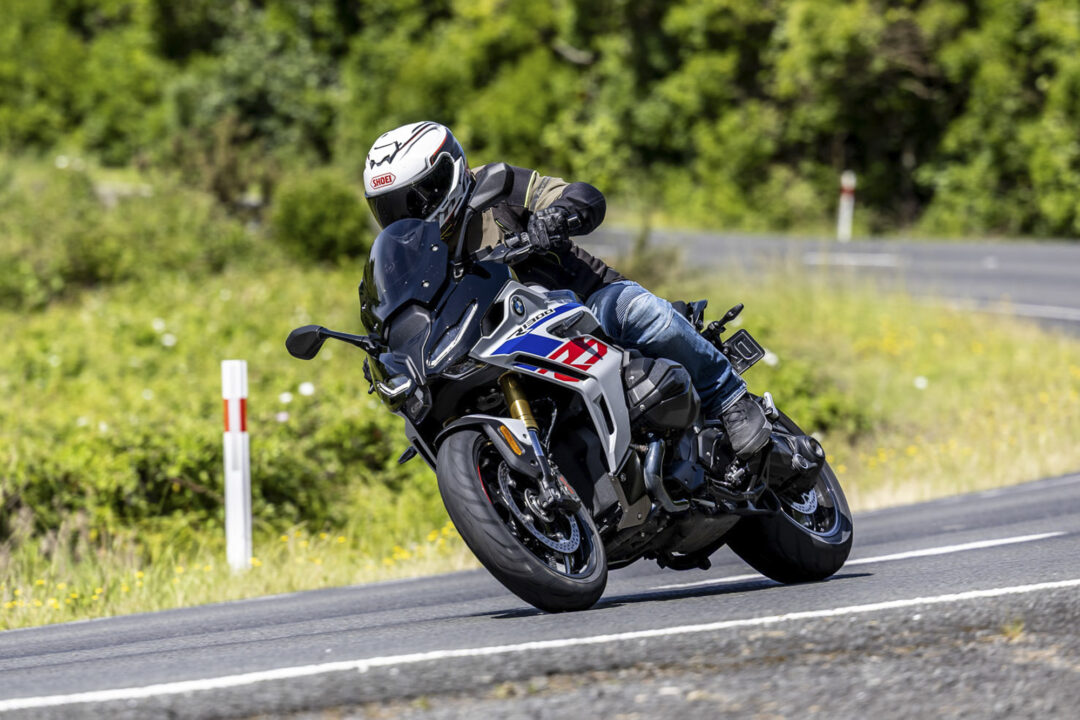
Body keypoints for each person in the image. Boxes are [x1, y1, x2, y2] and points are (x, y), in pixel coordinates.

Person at [362, 121, 771, 458]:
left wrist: (558, 215)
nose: (404, 216)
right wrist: (389, 347)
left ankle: (729, 398)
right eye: (390, 208)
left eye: (414, 200)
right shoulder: (411, 253)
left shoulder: (495, 187)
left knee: (645, 316)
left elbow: (574, 194)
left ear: (445, 175)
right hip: (498, 344)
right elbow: (401, 304)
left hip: (585, 304)